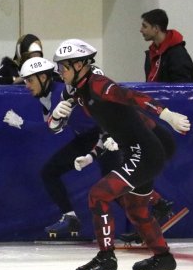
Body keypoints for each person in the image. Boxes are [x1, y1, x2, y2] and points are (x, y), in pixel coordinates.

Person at [53, 38, 190, 270]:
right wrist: (55, 118)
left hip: (145, 153)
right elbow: (98, 126)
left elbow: (132, 96)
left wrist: (167, 114)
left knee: (98, 195)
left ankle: (106, 257)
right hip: (138, 152)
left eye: (63, 67)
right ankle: (163, 257)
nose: (60, 72)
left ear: (79, 65)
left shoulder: (98, 85)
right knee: (136, 209)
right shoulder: (80, 91)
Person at [15, 56, 121, 238]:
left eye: (30, 80)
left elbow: (54, 126)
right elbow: (52, 127)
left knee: (115, 183)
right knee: (49, 172)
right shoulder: (45, 98)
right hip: (85, 138)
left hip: (103, 135)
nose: (27, 85)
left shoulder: (61, 91)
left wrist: (23, 124)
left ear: (43, 78)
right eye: (25, 81)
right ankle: (70, 217)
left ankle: (156, 206)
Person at [140, 9, 193, 82]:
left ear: (156, 28)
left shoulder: (178, 55)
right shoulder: (152, 53)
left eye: (145, 26)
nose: (141, 30)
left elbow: (183, 89)